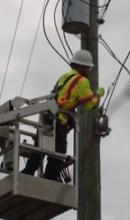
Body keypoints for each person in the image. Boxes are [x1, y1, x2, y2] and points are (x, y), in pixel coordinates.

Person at [21, 49, 105, 181]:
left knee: (39, 150)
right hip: (60, 120)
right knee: (58, 152)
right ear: (81, 66)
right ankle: (50, 178)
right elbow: (90, 103)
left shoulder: (64, 77)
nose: (88, 71)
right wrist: (99, 94)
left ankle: (26, 174)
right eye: (88, 68)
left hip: (47, 118)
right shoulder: (81, 81)